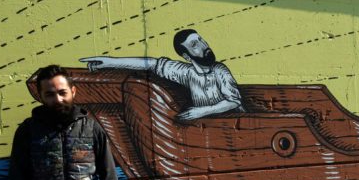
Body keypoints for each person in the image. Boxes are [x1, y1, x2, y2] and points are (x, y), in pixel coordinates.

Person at [80, 29, 243, 121]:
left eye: (201, 40)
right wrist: (110, 63)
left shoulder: (220, 70)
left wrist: (201, 111)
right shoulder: (186, 72)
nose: (204, 45)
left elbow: (233, 102)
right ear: (186, 56)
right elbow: (152, 64)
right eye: (195, 44)